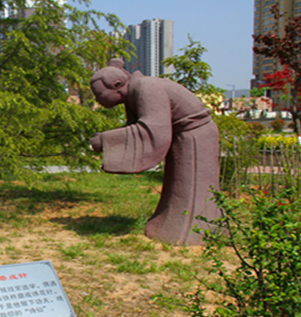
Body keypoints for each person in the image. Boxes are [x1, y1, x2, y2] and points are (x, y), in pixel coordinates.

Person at [89, 59, 220, 245]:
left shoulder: (147, 88)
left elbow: (152, 131)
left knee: (191, 186)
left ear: (117, 85)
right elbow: (139, 127)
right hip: (182, 136)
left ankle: (192, 234)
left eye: (99, 94)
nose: (97, 100)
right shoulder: (135, 93)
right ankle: (167, 225)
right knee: (177, 185)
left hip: (196, 137)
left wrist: (106, 140)